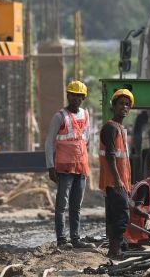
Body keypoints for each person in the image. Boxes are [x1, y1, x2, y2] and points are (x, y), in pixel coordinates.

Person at [45, 80, 94, 249]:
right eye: (73, 95)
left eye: (79, 96)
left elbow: (86, 140)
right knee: (61, 206)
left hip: (81, 167)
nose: (76, 99)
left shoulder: (86, 115)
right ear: (68, 96)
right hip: (64, 168)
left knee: (76, 206)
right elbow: (49, 142)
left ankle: (75, 238)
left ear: (83, 98)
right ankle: (61, 240)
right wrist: (50, 166)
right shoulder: (60, 117)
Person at [100, 88, 134, 260]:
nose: (124, 107)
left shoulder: (120, 128)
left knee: (116, 216)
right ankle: (115, 250)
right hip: (114, 181)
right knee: (122, 215)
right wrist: (118, 179)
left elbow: (123, 160)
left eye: (127, 104)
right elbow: (110, 157)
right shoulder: (110, 128)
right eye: (121, 103)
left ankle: (114, 249)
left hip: (120, 182)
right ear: (113, 106)